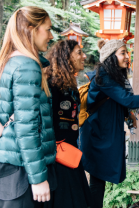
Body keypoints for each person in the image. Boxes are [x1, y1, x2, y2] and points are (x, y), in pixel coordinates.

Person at [79, 39, 139, 208]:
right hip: (97, 133)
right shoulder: (103, 75)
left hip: (103, 132)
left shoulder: (113, 75)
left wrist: (128, 114)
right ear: (111, 57)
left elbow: (118, 101)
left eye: (127, 52)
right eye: (122, 53)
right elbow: (127, 99)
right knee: (97, 178)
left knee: (99, 177)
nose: (127, 56)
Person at [0, 7, 57, 208]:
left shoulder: (9, 60)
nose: (51, 36)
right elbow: (27, 127)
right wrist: (38, 179)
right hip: (20, 170)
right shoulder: (27, 66)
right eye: (47, 29)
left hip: (5, 162)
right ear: (31, 29)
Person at [44, 39, 93, 208]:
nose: (84, 56)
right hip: (58, 158)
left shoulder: (68, 84)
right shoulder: (53, 85)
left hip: (70, 153)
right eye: (79, 52)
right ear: (66, 57)